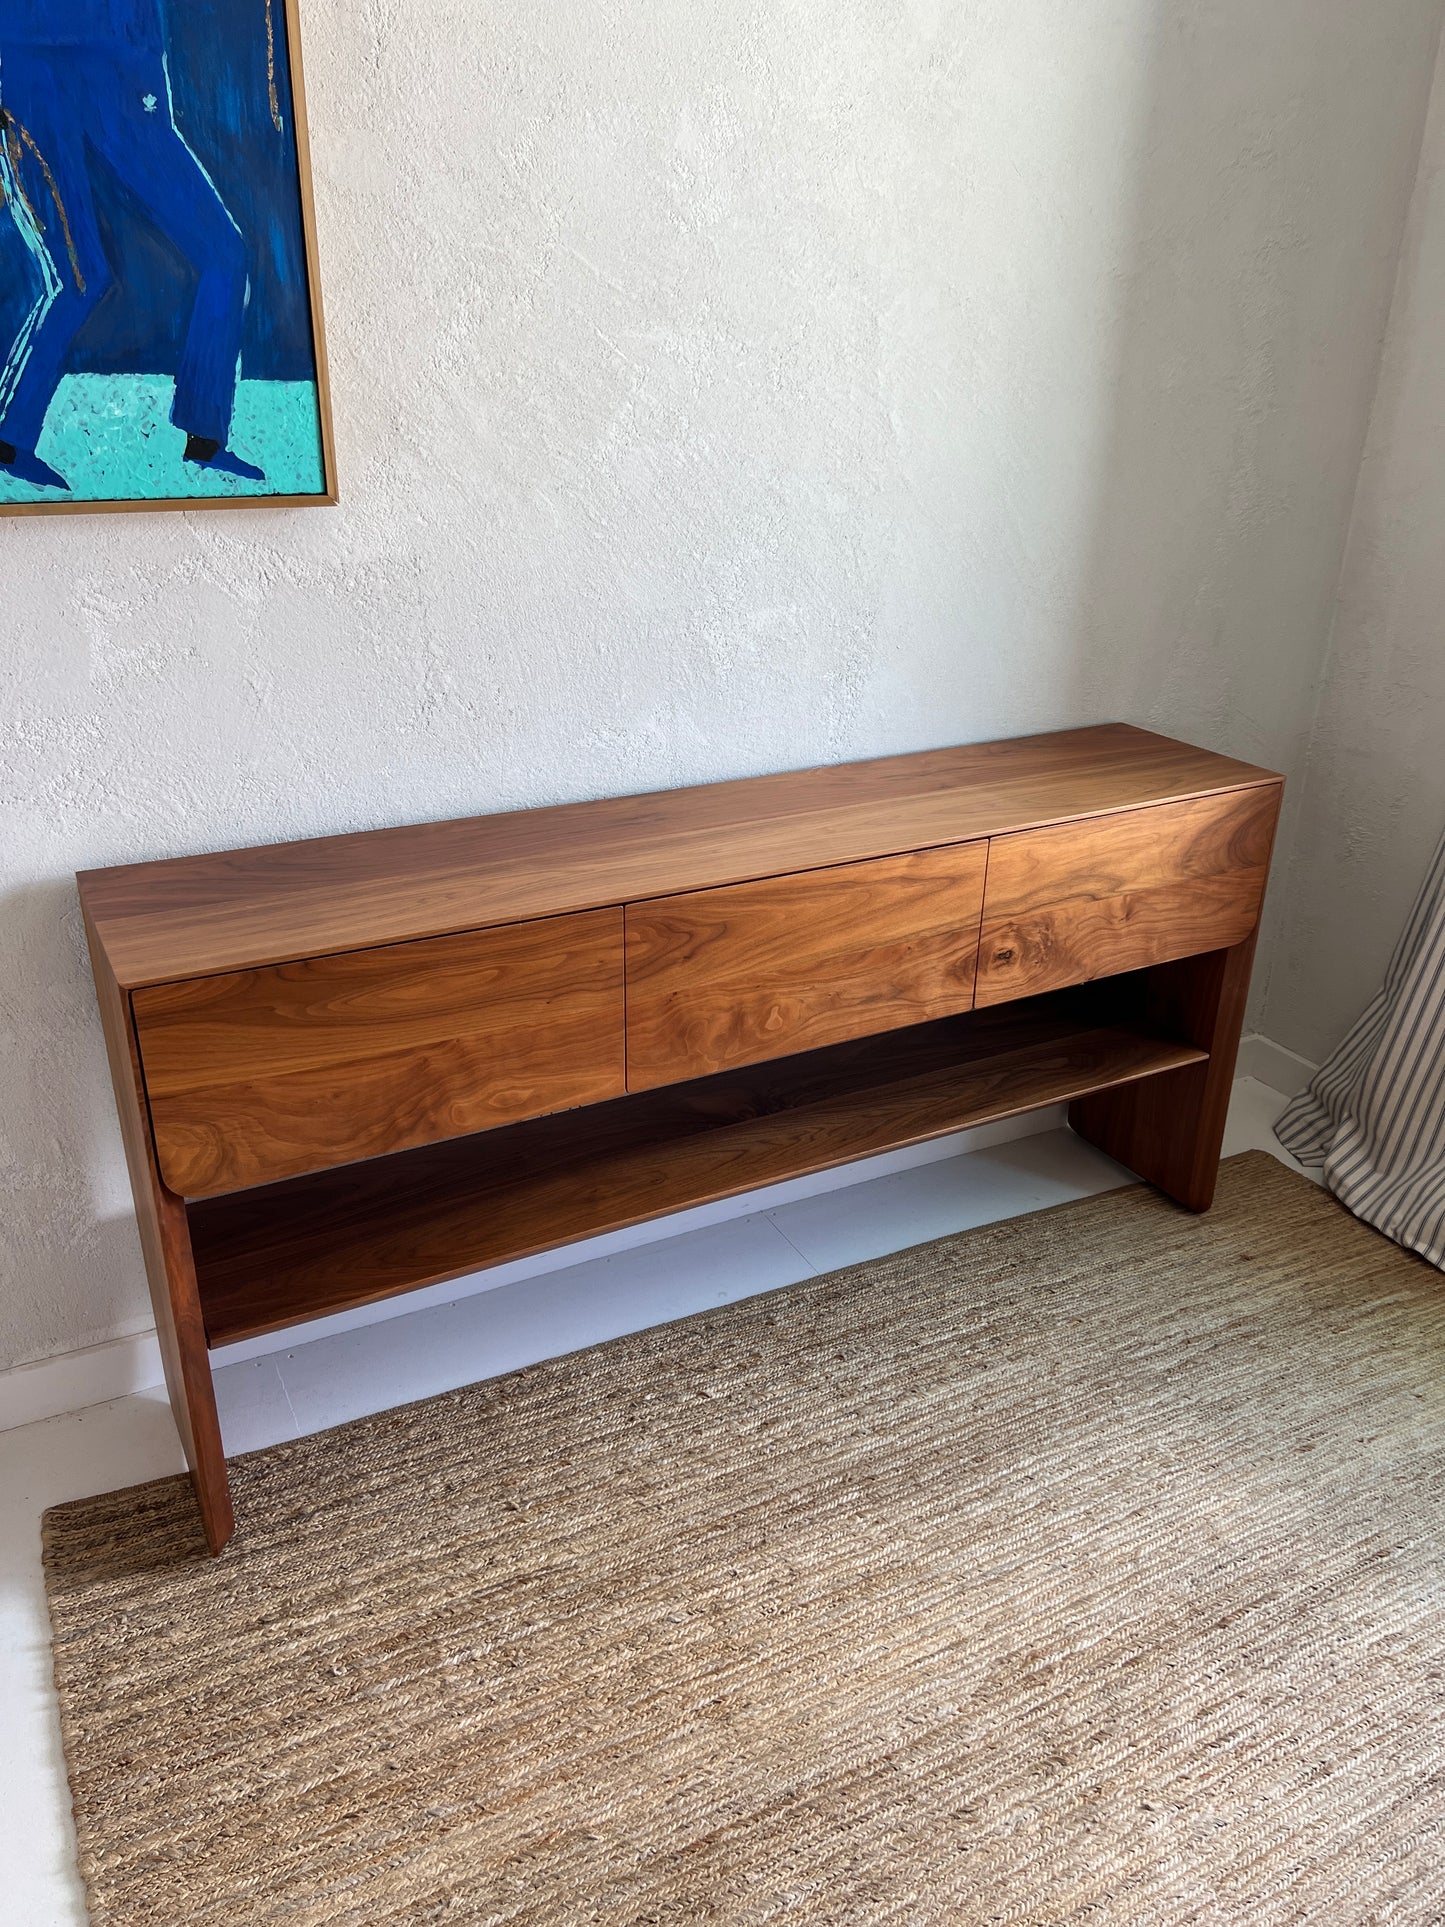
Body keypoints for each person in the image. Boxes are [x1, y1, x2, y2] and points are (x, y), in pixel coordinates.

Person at [0, 0, 262, 491]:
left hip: (115, 61)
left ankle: (205, 436)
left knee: (222, 253)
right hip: (29, 61)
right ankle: (10, 438)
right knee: (79, 278)